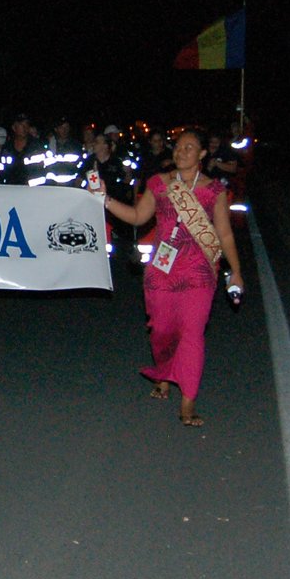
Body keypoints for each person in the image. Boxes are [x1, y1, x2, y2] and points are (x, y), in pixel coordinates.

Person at [95, 128, 245, 427]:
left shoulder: (213, 190)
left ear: (203, 154)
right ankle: (164, 373)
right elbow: (138, 217)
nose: (181, 152)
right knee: (162, 330)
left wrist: (237, 272)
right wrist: (105, 199)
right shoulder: (159, 183)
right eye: (178, 147)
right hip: (162, 271)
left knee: (191, 333)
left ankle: (188, 401)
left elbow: (224, 233)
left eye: (189, 148)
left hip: (200, 272)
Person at [0, 113, 49, 186]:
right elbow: (2, 171)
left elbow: (45, 169)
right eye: (21, 125)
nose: (25, 128)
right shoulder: (7, 148)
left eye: (26, 125)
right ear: (14, 128)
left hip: (33, 190)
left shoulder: (37, 146)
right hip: (11, 189)